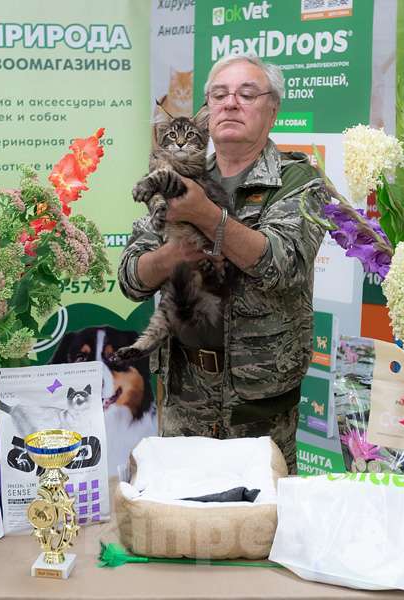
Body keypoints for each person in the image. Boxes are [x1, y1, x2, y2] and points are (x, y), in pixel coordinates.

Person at [118, 55, 327, 473]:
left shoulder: (298, 182)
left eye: (247, 94)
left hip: (257, 406)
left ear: (272, 111)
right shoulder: (178, 175)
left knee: (259, 527)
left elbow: (284, 265)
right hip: (182, 398)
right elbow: (130, 276)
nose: (231, 103)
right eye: (219, 95)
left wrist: (203, 215)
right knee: (185, 524)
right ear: (208, 112)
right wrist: (172, 255)